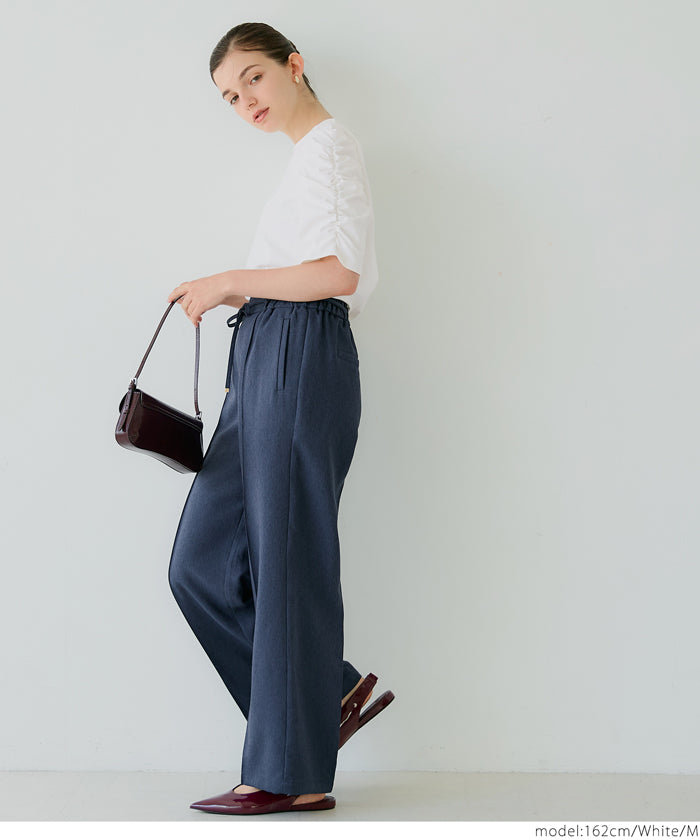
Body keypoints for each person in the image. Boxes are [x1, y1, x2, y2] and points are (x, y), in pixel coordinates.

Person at [166, 22, 395, 816]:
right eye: (231, 97)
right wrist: (238, 291)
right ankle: (325, 698)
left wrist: (233, 277)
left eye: (254, 79)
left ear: (294, 66)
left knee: (287, 560)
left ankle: (291, 775)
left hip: (301, 353)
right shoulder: (305, 161)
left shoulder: (329, 148)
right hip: (267, 356)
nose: (246, 102)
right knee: (200, 565)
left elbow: (337, 273)